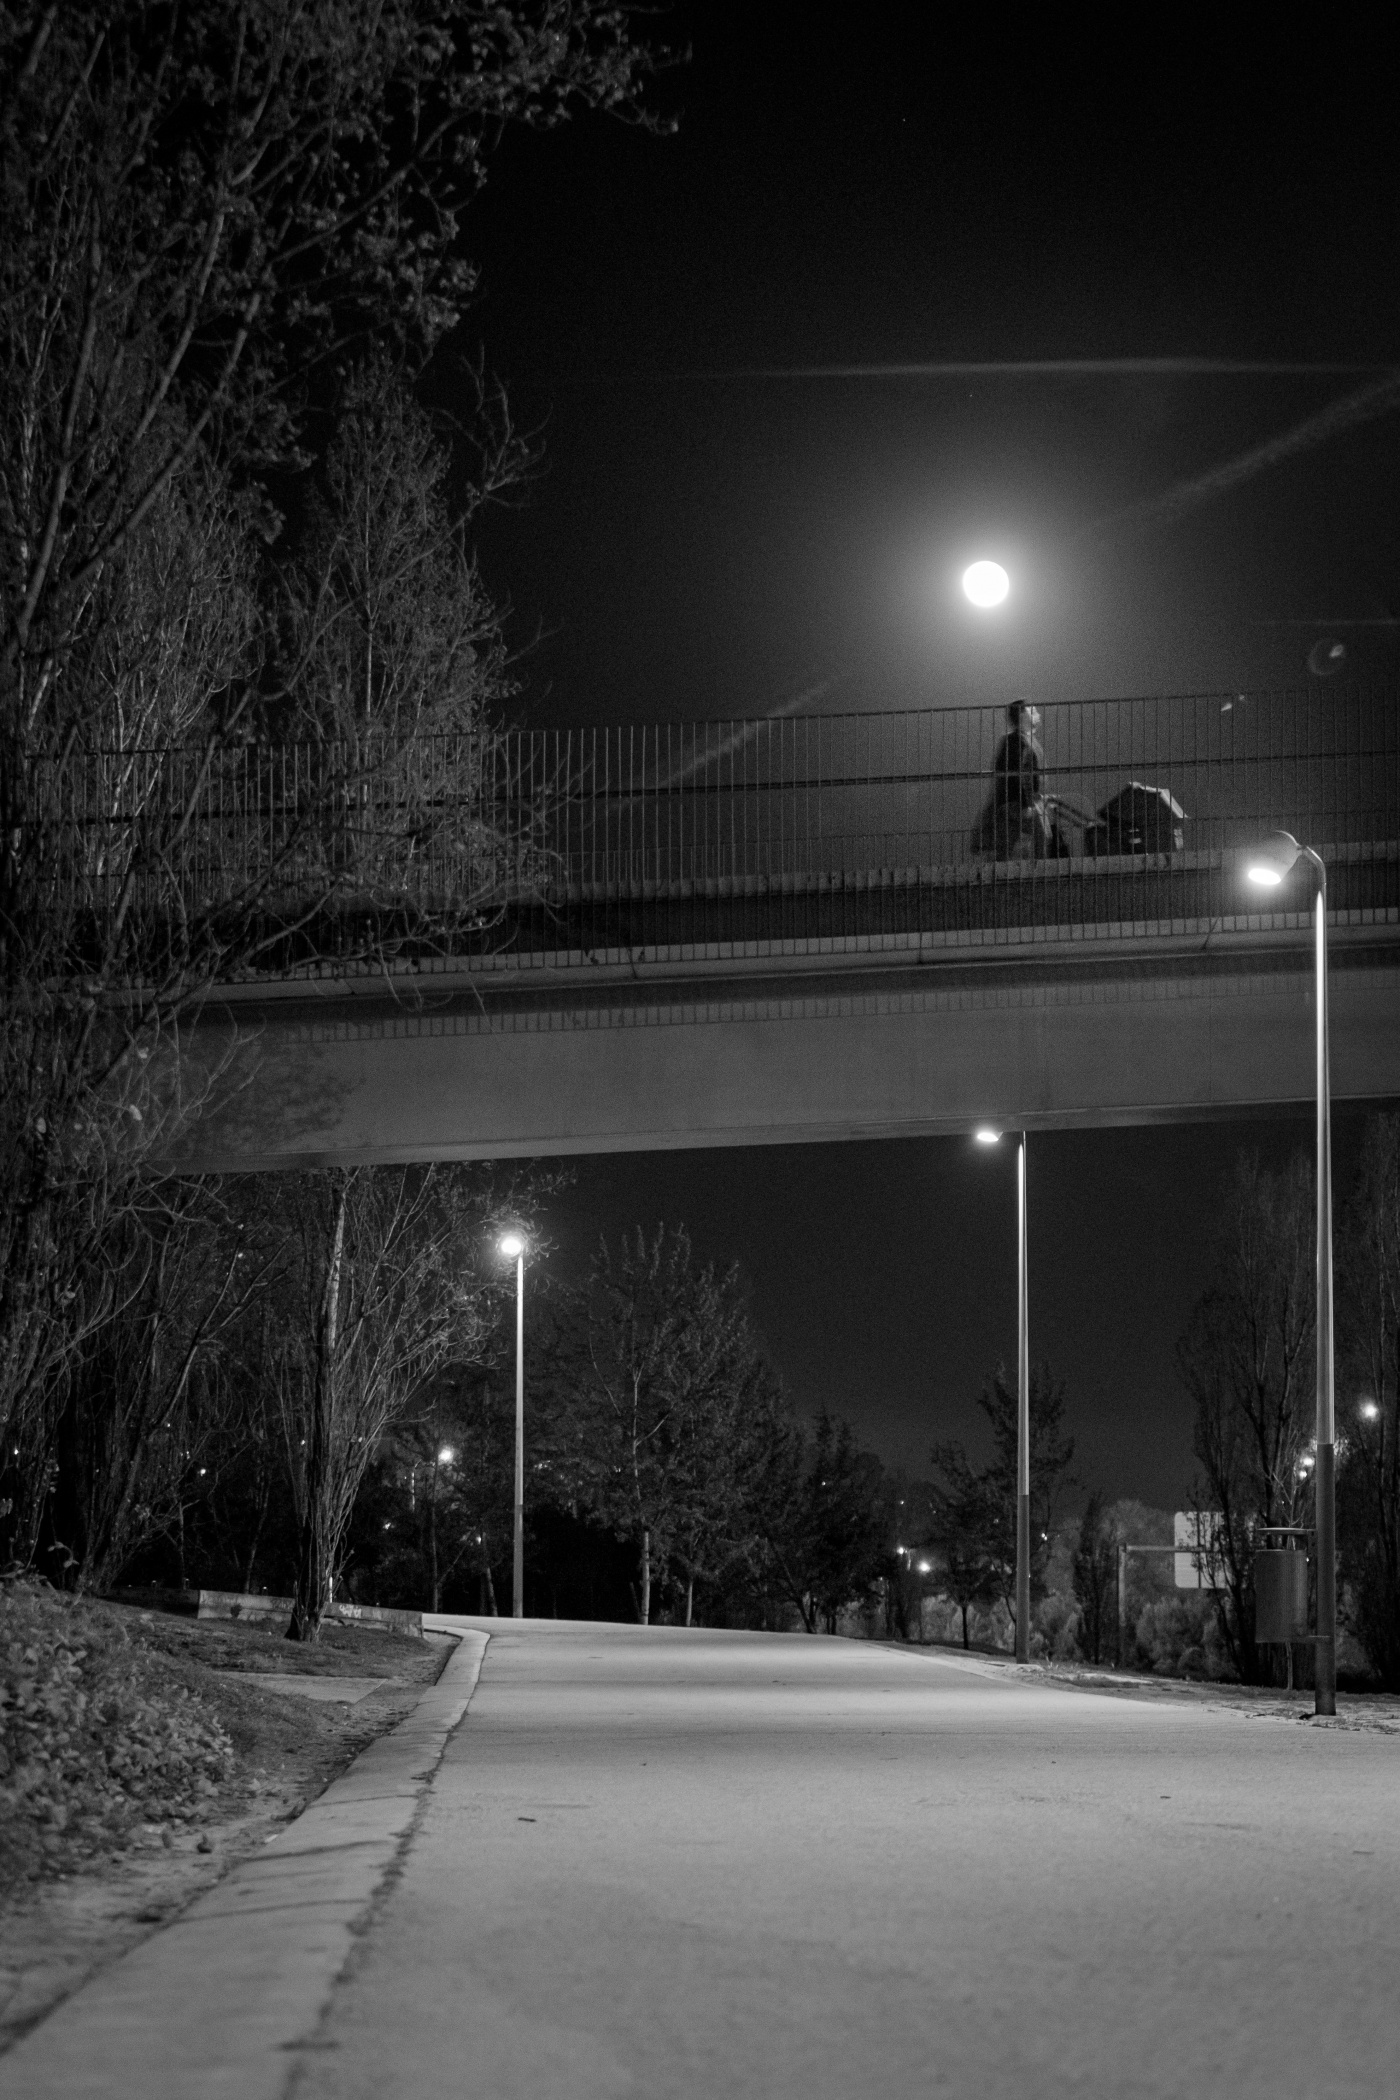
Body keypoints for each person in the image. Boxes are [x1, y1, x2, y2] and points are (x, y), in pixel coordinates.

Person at [971, 700, 1052, 859]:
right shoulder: (1020, 742)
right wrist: (1028, 805)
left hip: (1009, 805)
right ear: (1022, 715)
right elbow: (1022, 775)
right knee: (1041, 838)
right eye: (1033, 711)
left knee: (1005, 852)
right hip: (1018, 806)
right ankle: (1039, 876)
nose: (1038, 714)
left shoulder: (1013, 741)